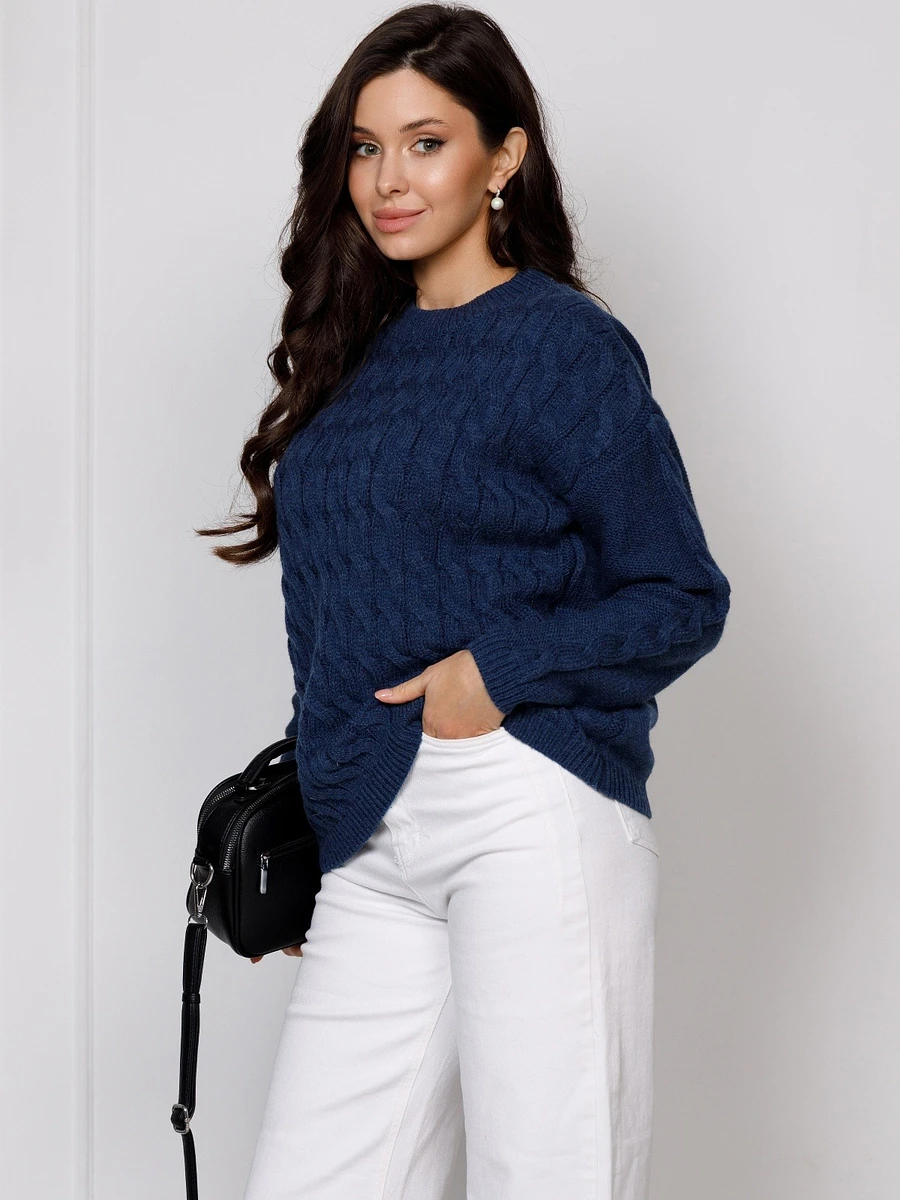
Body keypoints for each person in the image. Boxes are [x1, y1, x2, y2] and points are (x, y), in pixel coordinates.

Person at [197, 6, 731, 1198]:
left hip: (523, 805)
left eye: (426, 143)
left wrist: (496, 674)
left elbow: (681, 594)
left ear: (505, 157)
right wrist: (323, 820)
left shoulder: (562, 347)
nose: (389, 179)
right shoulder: (352, 358)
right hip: (372, 832)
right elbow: (329, 620)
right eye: (365, 146)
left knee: (549, 1177)